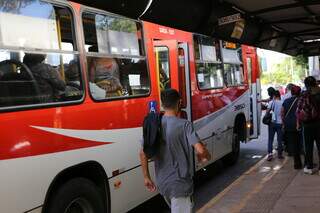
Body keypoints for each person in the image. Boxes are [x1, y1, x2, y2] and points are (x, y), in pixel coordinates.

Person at [139, 89, 211, 213]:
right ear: (179, 103)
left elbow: (142, 153)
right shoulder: (185, 125)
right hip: (179, 184)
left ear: (162, 104)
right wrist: (206, 155)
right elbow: (200, 149)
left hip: (163, 184)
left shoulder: (154, 125)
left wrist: (146, 177)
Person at [296, 76, 320, 174]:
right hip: (319, 123)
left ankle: (309, 167)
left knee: (308, 146)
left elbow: (298, 110)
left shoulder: (304, 95)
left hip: (307, 125)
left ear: (306, 84)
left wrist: (298, 123)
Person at [281, 85, 302, 169]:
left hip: (288, 125)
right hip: (299, 124)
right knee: (301, 143)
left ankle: (297, 163)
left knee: (293, 144)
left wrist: (283, 123)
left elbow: (282, 113)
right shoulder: (300, 101)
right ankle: (306, 163)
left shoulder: (286, 101)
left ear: (292, 92)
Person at [267, 90, 284, 161]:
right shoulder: (282, 102)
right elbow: (283, 113)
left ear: (274, 96)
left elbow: (267, 111)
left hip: (272, 123)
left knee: (270, 139)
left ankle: (270, 154)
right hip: (280, 123)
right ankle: (279, 154)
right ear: (279, 95)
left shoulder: (271, 102)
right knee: (279, 139)